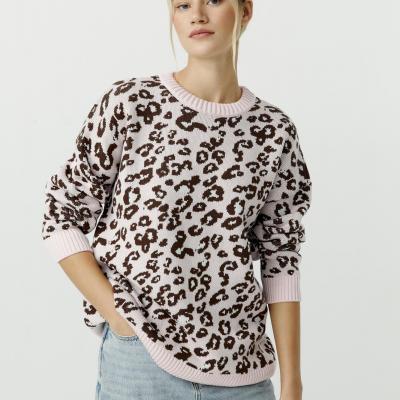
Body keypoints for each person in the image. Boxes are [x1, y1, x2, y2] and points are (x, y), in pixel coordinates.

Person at [41, 0, 312, 399]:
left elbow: (281, 255)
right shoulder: (131, 103)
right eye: (183, 5)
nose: (197, 14)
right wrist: (116, 315)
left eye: (213, 0)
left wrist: (292, 382)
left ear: (246, 11)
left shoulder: (274, 131)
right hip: (140, 360)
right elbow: (61, 213)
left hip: (242, 370)